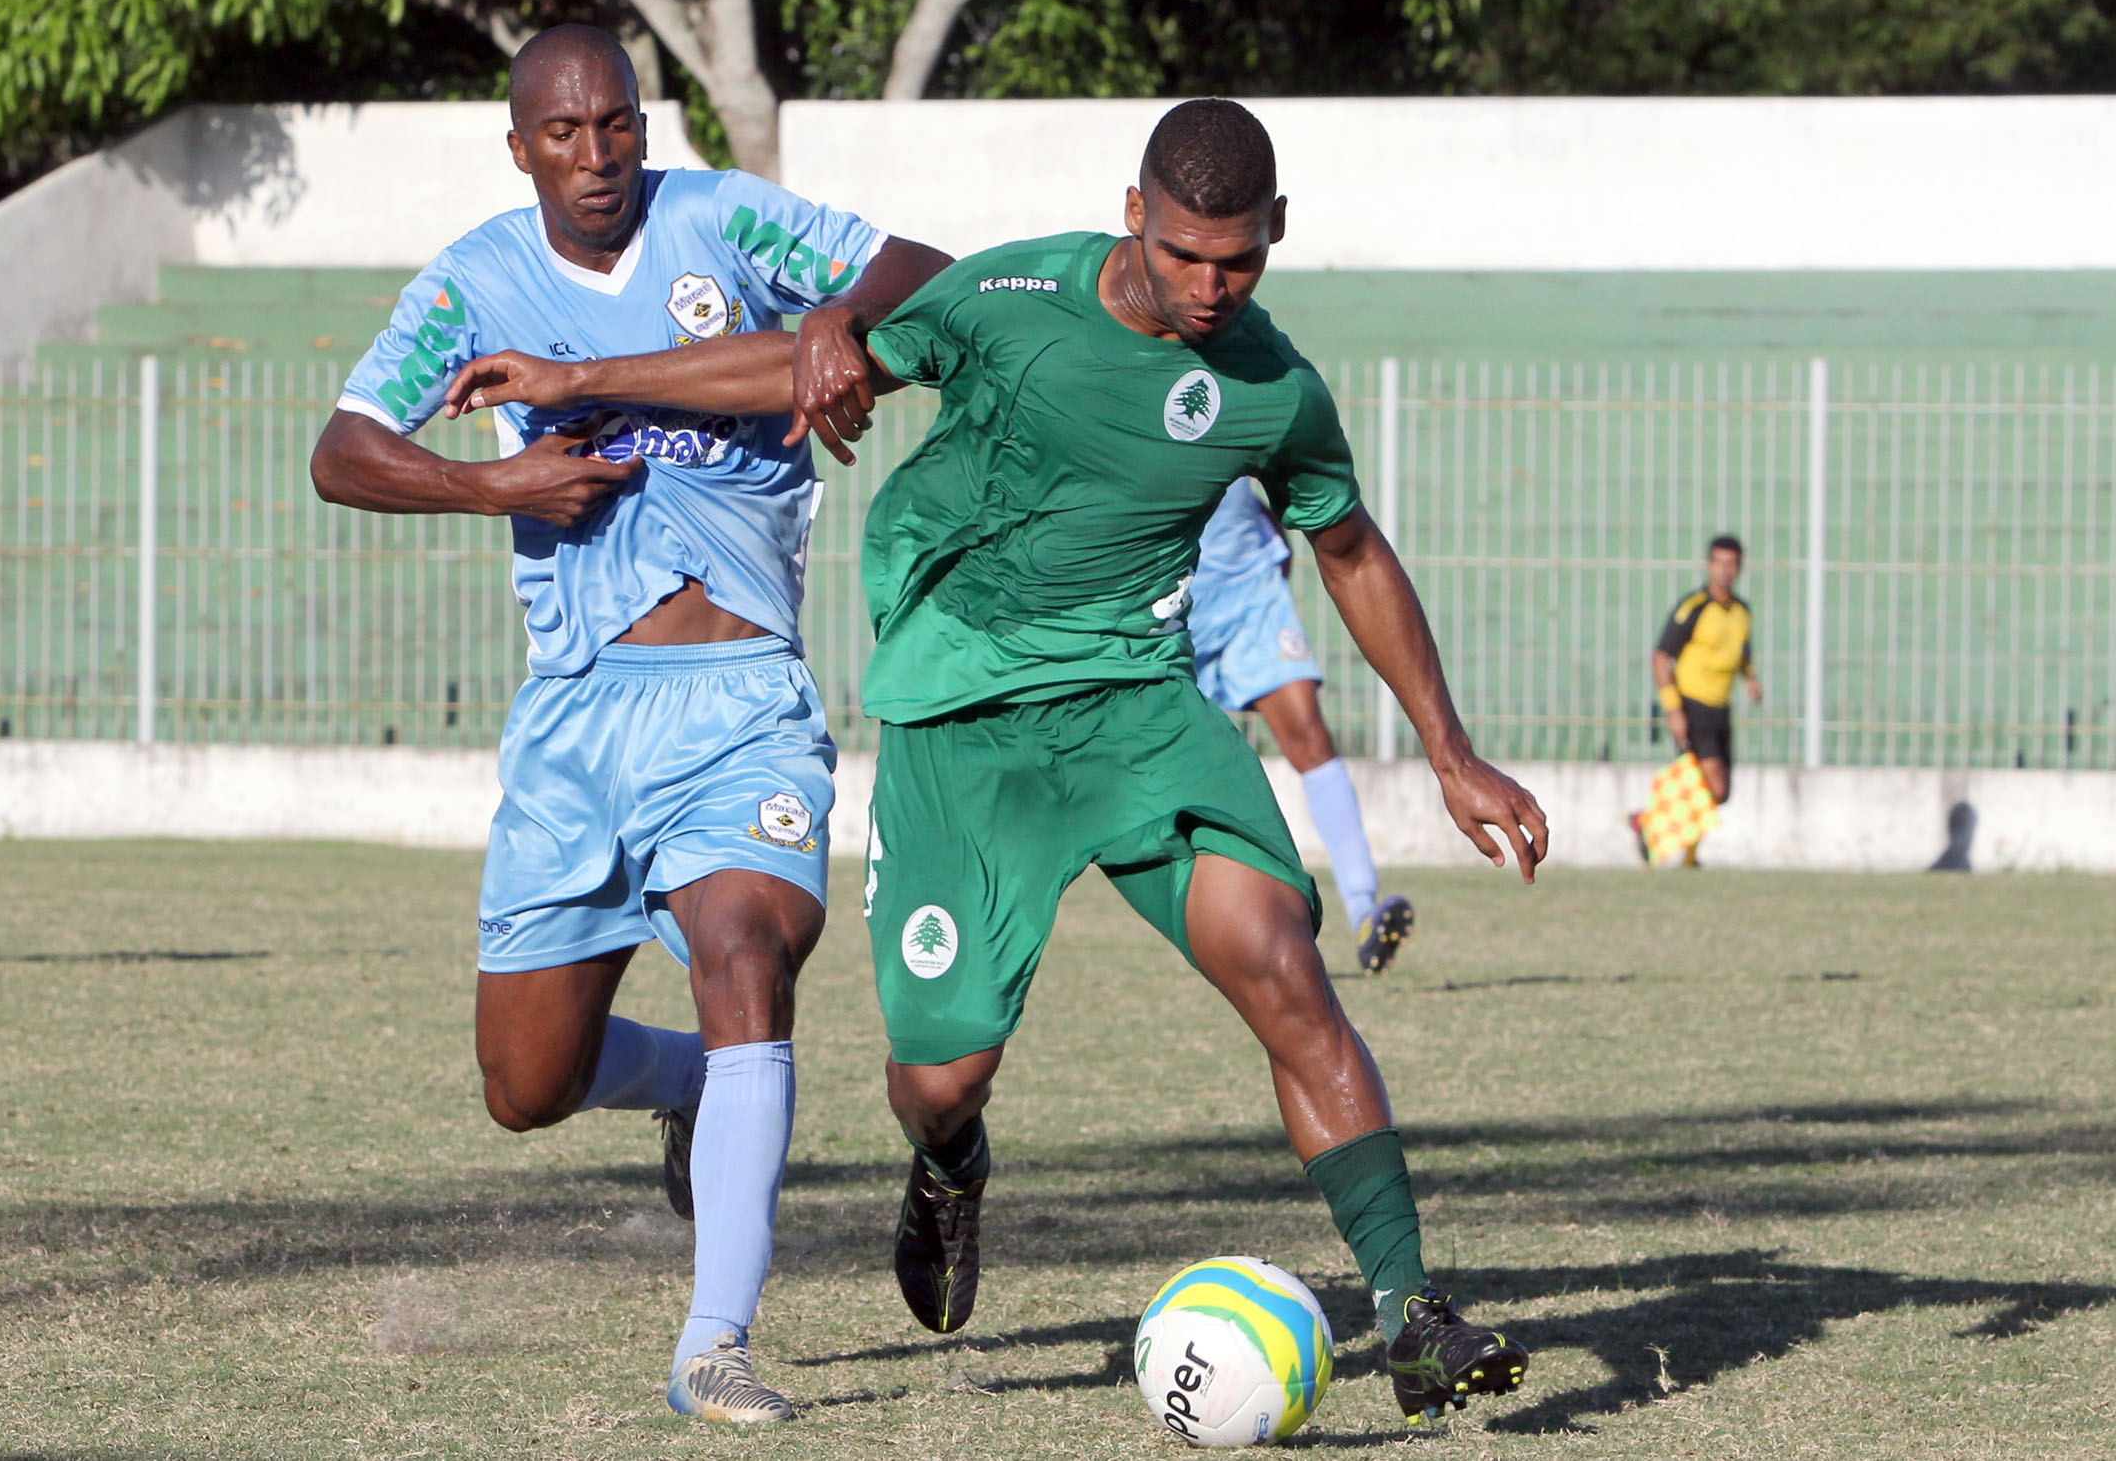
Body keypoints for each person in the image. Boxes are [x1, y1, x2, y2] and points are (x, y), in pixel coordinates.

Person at [445, 97, 1547, 1431]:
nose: (1212, 287)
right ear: (1134, 212)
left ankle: (1412, 1309)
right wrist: (584, 379)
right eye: (1190, 253)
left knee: (1283, 964)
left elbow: (1351, 547)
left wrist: (1451, 748)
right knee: (940, 1076)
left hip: (1137, 705)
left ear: (1275, 236)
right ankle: (951, 1159)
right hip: (958, 714)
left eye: (1241, 260)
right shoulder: (1010, 294)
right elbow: (811, 364)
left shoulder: (1272, 385)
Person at [307, 24, 948, 1423]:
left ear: (644, 125)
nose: (597, 159)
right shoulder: (475, 279)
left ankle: (714, 1338)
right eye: (565, 134)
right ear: (521, 144)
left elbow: (928, 285)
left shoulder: (724, 218)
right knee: (525, 1085)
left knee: (748, 956)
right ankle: (676, 1088)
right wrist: (501, 489)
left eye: (617, 127)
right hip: (578, 721)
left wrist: (837, 323)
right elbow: (343, 451)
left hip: (741, 705)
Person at [1191, 478, 1414, 974]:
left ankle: (1364, 910)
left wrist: (1270, 528)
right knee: (1176, 762)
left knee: (1311, 738)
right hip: (1173, 600)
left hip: (1252, 592)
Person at [1632, 535, 1760, 866]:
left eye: (1730, 564)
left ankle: (1648, 824)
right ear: (1708, 565)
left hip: (1721, 708)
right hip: (1693, 704)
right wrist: (1674, 709)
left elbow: (1741, 650)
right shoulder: (1693, 608)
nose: (1724, 571)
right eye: (1718, 562)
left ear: (1739, 568)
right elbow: (1661, 657)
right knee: (1712, 786)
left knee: (1716, 790)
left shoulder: (1742, 611)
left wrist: (1750, 677)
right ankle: (1683, 850)